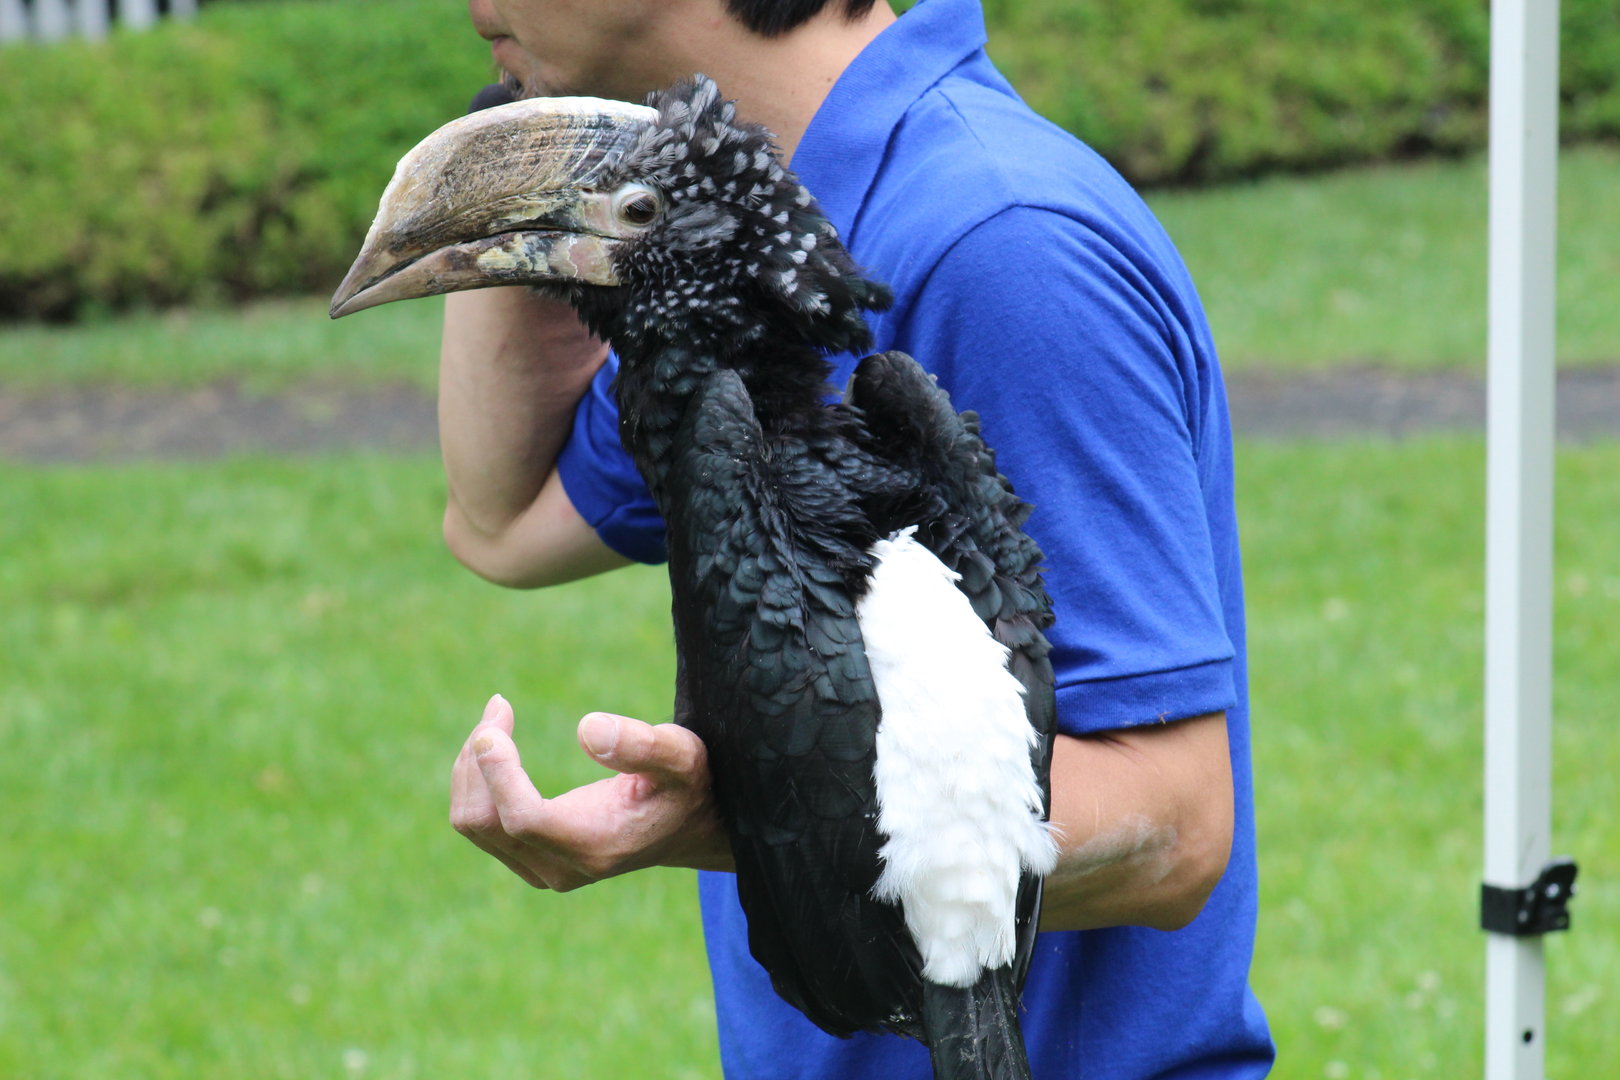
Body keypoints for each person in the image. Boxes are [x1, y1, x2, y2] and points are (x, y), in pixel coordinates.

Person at [443, 0, 1275, 1076]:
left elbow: (1175, 833)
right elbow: (503, 522)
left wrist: (730, 818)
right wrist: (530, 157)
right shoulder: (729, 247)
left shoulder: (1004, 246)